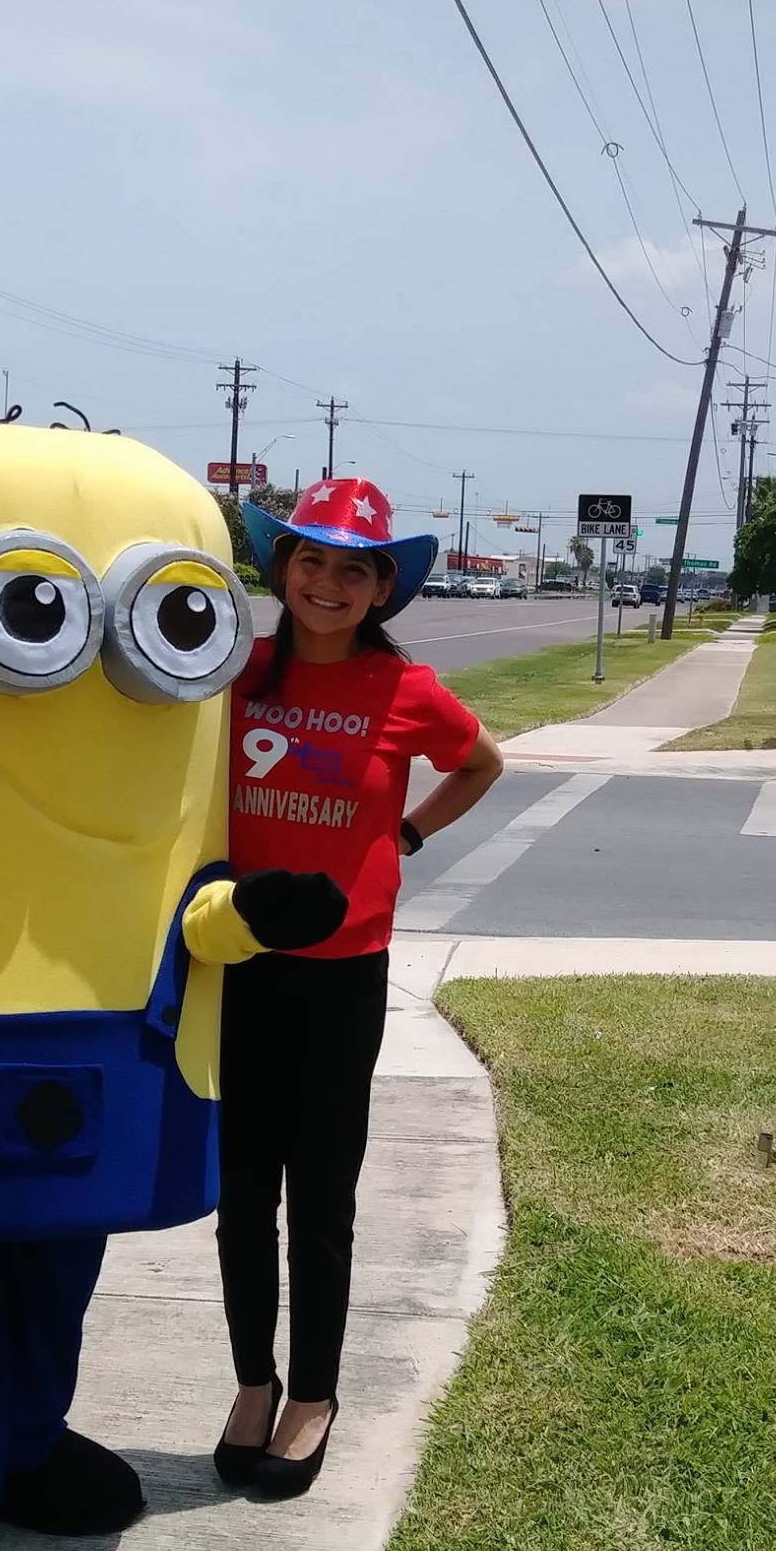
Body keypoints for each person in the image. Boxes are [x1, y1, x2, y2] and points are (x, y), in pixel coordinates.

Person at [213, 476, 504, 1497]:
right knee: (240, 1194)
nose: (327, 582)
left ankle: (313, 1396)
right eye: (311, 559)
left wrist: (406, 833)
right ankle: (253, 1382)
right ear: (280, 567)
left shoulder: (405, 689)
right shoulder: (239, 674)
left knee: (321, 1195)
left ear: (382, 588)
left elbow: (482, 764)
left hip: (342, 975)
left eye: (353, 568)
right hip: (237, 964)